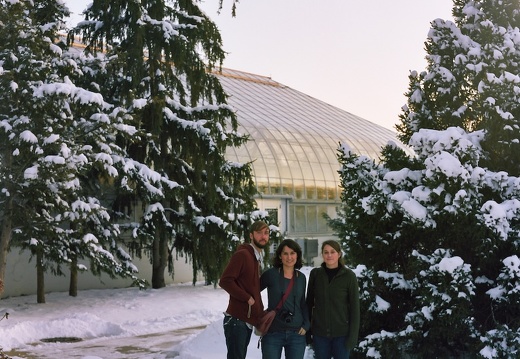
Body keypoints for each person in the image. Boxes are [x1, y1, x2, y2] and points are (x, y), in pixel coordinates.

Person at [219, 220, 270, 359]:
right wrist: (247, 298)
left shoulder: (255, 257)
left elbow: (251, 286)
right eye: (259, 233)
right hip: (237, 321)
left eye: (266, 233)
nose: (263, 236)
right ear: (251, 236)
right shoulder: (243, 255)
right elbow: (225, 281)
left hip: (244, 322)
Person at [306, 240, 360, 359]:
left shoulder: (349, 276)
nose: (329, 255)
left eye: (332, 252)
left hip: (342, 335)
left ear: (339, 254)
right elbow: (309, 304)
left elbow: (355, 309)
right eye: (326, 252)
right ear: (322, 254)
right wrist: (308, 330)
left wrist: (352, 337)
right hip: (320, 335)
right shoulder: (315, 274)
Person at [259, 239, 310, 359]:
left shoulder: (301, 277)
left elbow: (302, 303)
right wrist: (260, 315)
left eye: (292, 253)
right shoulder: (271, 275)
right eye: (285, 253)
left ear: (297, 255)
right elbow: (253, 294)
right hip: (273, 333)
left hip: (296, 335)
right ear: (280, 256)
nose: (289, 257)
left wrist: (307, 324)